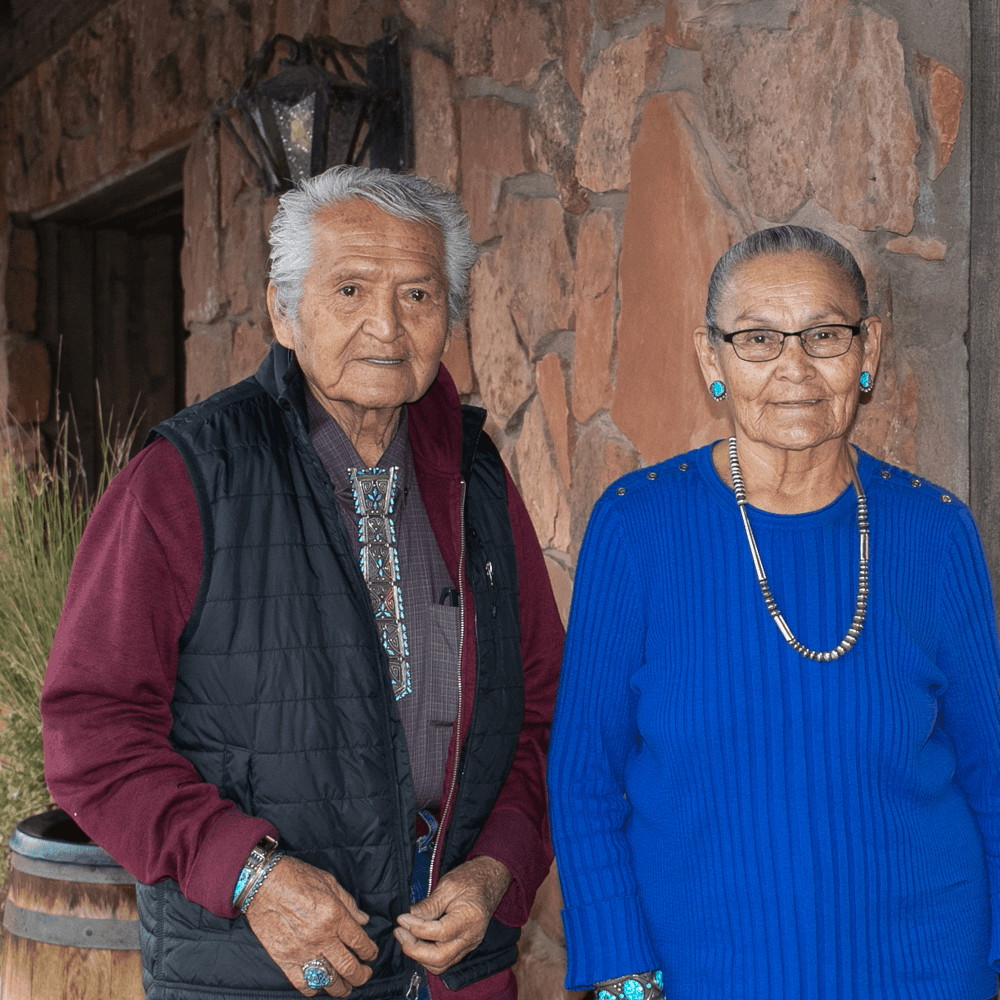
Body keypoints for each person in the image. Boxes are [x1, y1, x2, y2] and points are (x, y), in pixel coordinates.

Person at [41, 165, 563, 1000]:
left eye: (420, 295)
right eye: (350, 289)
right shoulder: (183, 478)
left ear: (449, 318)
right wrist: (251, 876)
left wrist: (499, 866)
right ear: (286, 312)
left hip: (455, 972)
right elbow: (90, 733)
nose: (386, 325)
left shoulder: (477, 478)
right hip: (257, 968)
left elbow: (543, 707)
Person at [547, 225, 1000, 999]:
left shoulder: (934, 530)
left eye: (824, 334)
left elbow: (991, 772)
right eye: (757, 339)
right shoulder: (636, 527)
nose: (794, 367)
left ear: (869, 351)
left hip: (925, 970)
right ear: (711, 358)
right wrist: (622, 972)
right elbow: (586, 776)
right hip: (700, 975)